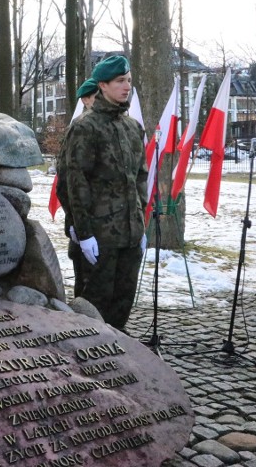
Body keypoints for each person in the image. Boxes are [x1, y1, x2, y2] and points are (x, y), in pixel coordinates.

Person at [60, 56, 147, 331]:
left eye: (129, 81)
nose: (126, 87)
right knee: (94, 306)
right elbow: (75, 182)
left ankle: (118, 362)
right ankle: (88, 363)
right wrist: (83, 232)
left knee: (123, 303)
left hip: (130, 234)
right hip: (100, 235)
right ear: (103, 86)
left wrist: (140, 223)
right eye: (120, 81)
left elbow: (140, 178)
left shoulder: (132, 128)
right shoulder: (86, 127)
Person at [56, 77, 99, 300]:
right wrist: (73, 221)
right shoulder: (80, 128)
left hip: (106, 222)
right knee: (87, 285)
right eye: (96, 96)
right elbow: (66, 181)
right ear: (86, 99)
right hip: (84, 221)